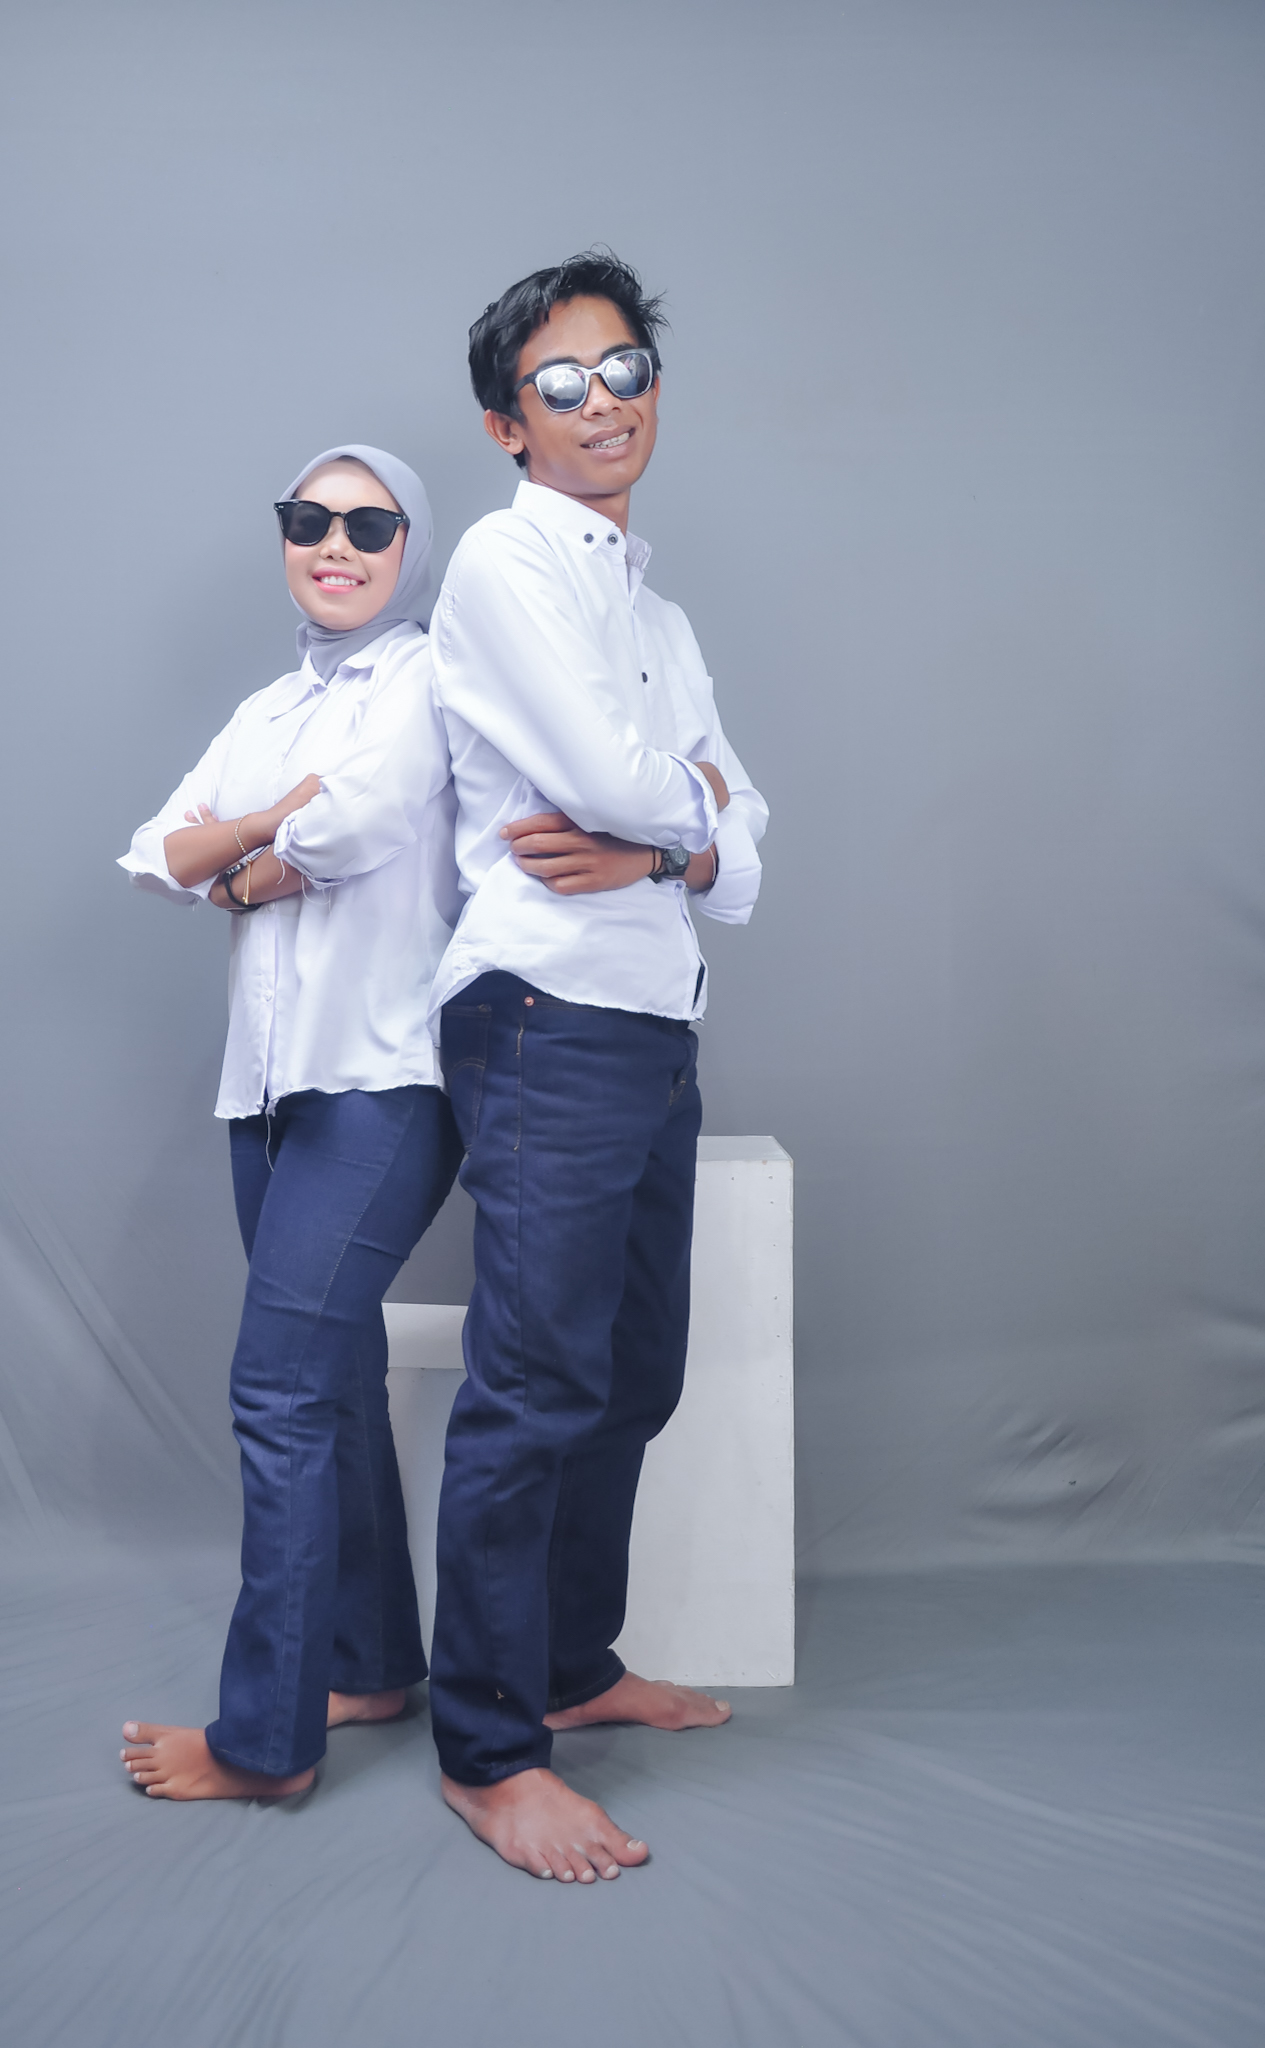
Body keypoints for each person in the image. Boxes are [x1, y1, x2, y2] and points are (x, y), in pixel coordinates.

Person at [428, 253, 769, 1880]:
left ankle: (569, 1665)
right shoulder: (504, 561)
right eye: (558, 384)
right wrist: (688, 820)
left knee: (631, 1375)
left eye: (622, 368)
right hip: (542, 1014)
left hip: (648, 1014)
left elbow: (740, 841)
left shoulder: (658, 609)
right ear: (510, 424)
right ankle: (489, 1751)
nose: (600, 401)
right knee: (534, 1384)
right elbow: (616, 776)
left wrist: (668, 844)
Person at [114, 444, 464, 1799]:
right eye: (310, 520)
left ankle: (265, 1743)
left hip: (383, 1085)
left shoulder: (431, 677)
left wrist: (247, 861)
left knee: (276, 1390)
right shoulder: (266, 709)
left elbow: (359, 828)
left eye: (369, 526)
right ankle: (368, 1662)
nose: (336, 545)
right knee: (330, 1380)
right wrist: (260, 830)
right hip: (261, 1094)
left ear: (407, 548)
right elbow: (157, 854)